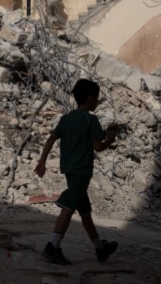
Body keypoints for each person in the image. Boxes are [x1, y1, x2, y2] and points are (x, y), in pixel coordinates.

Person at [34, 78, 118, 265]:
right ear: (89, 98)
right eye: (96, 98)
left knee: (85, 211)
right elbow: (97, 147)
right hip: (82, 171)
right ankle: (52, 246)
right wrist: (110, 141)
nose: (97, 101)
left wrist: (42, 161)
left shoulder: (66, 119)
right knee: (68, 205)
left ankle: (99, 248)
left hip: (70, 170)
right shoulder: (91, 120)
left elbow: (51, 139)